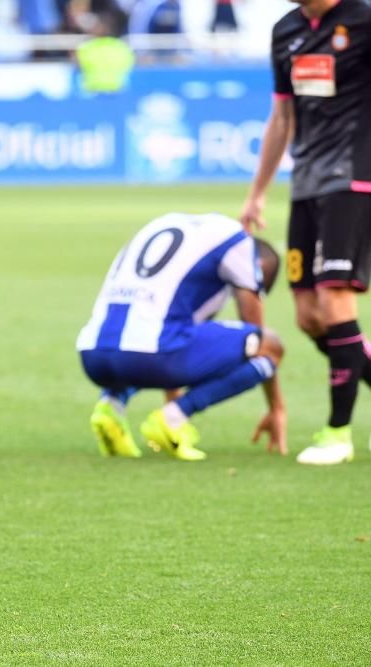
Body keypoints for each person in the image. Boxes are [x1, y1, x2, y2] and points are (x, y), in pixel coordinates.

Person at [241, 0, 371, 465]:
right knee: (310, 317)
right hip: (307, 185)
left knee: (336, 301)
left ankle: (338, 433)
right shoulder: (286, 30)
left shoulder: (363, 19)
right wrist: (257, 192)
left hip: (355, 181)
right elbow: (281, 117)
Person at [77, 213, 286, 461]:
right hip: (151, 357)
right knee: (272, 346)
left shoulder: (167, 226)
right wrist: (276, 407)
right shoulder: (238, 241)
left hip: (93, 355)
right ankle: (174, 418)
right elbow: (256, 332)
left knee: (155, 339)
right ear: (258, 268)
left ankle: (110, 407)